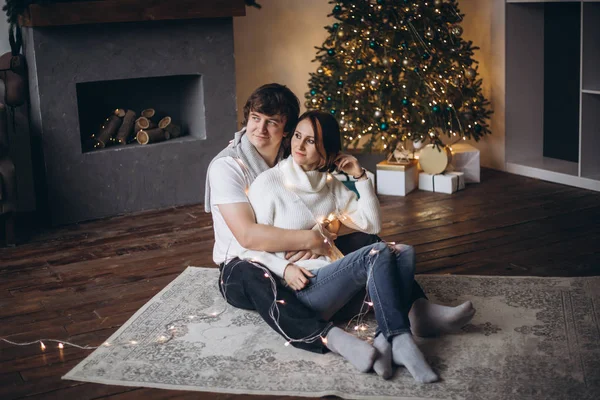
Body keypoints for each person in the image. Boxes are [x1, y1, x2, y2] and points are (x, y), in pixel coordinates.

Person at [240, 111, 476, 382]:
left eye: (311, 141)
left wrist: (360, 176)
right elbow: (248, 248)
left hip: (338, 287)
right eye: (297, 136)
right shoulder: (268, 184)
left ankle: (401, 329)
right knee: (377, 253)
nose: (299, 145)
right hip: (304, 290)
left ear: (327, 149)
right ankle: (400, 337)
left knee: (403, 252)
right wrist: (286, 267)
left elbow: (372, 224)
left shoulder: (329, 185)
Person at [206, 83, 385, 373]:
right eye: (255, 118)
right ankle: (328, 336)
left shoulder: (294, 156)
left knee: (370, 242)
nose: (260, 129)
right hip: (243, 262)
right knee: (256, 277)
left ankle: (416, 307)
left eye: (272, 122)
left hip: (303, 254)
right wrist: (309, 240)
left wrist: (325, 233)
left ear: (287, 130)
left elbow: (328, 207)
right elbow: (247, 236)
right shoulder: (227, 167)